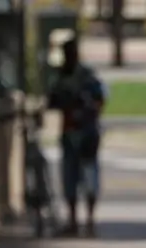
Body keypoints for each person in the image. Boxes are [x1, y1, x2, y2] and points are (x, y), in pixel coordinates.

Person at [47, 39, 106, 236]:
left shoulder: (87, 77)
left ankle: (88, 220)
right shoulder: (61, 77)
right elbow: (53, 100)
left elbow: (99, 100)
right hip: (70, 131)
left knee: (88, 177)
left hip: (87, 132)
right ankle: (73, 220)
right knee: (70, 177)